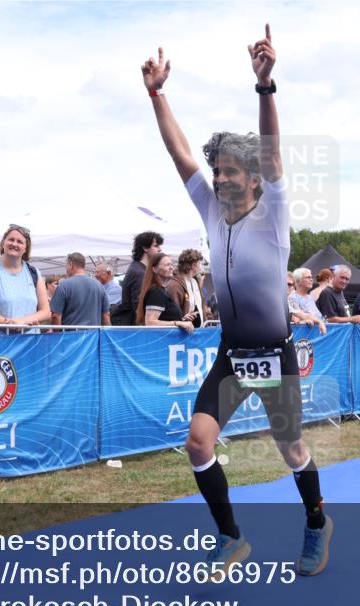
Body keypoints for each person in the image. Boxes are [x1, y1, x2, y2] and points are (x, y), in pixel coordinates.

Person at [142, 25, 332, 577]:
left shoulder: (273, 214)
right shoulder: (210, 211)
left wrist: (265, 86)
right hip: (232, 352)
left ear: (252, 179)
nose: (220, 178)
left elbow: (272, 154)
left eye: (230, 171)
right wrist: (157, 93)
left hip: (274, 354)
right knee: (198, 442)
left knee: (290, 447)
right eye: (217, 170)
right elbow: (179, 153)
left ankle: (317, 522)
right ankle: (230, 537)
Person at [0, 225, 51, 333]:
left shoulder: (34, 273)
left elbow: (46, 311)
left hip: (29, 341)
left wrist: (24, 321)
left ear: (25, 248)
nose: (14, 244)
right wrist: (12, 324)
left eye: (20, 242)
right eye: (11, 239)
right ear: (3, 243)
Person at [114, 231, 164, 325]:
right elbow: (138, 306)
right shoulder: (139, 272)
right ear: (145, 248)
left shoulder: (140, 269)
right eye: (156, 246)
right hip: (138, 326)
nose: (160, 249)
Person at [136, 253, 194, 332]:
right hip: (161, 338)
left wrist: (182, 319)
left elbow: (164, 317)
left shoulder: (161, 290)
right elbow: (150, 322)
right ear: (154, 269)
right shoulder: (155, 291)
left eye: (171, 264)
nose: (171, 267)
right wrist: (177, 323)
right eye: (167, 265)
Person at [51, 252, 110, 327]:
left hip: (71, 333)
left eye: (66, 266)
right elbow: (106, 315)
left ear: (71, 264)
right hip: (94, 333)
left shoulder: (63, 286)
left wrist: (58, 333)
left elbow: (56, 316)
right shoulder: (100, 286)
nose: (66, 270)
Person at [166, 249, 211, 328]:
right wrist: (182, 320)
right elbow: (173, 313)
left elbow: (198, 304)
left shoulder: (194, 281)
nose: (201, 266)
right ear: (193, 265)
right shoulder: (174, 285)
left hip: (198, 331)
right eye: (199, 263)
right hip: (182, 331)